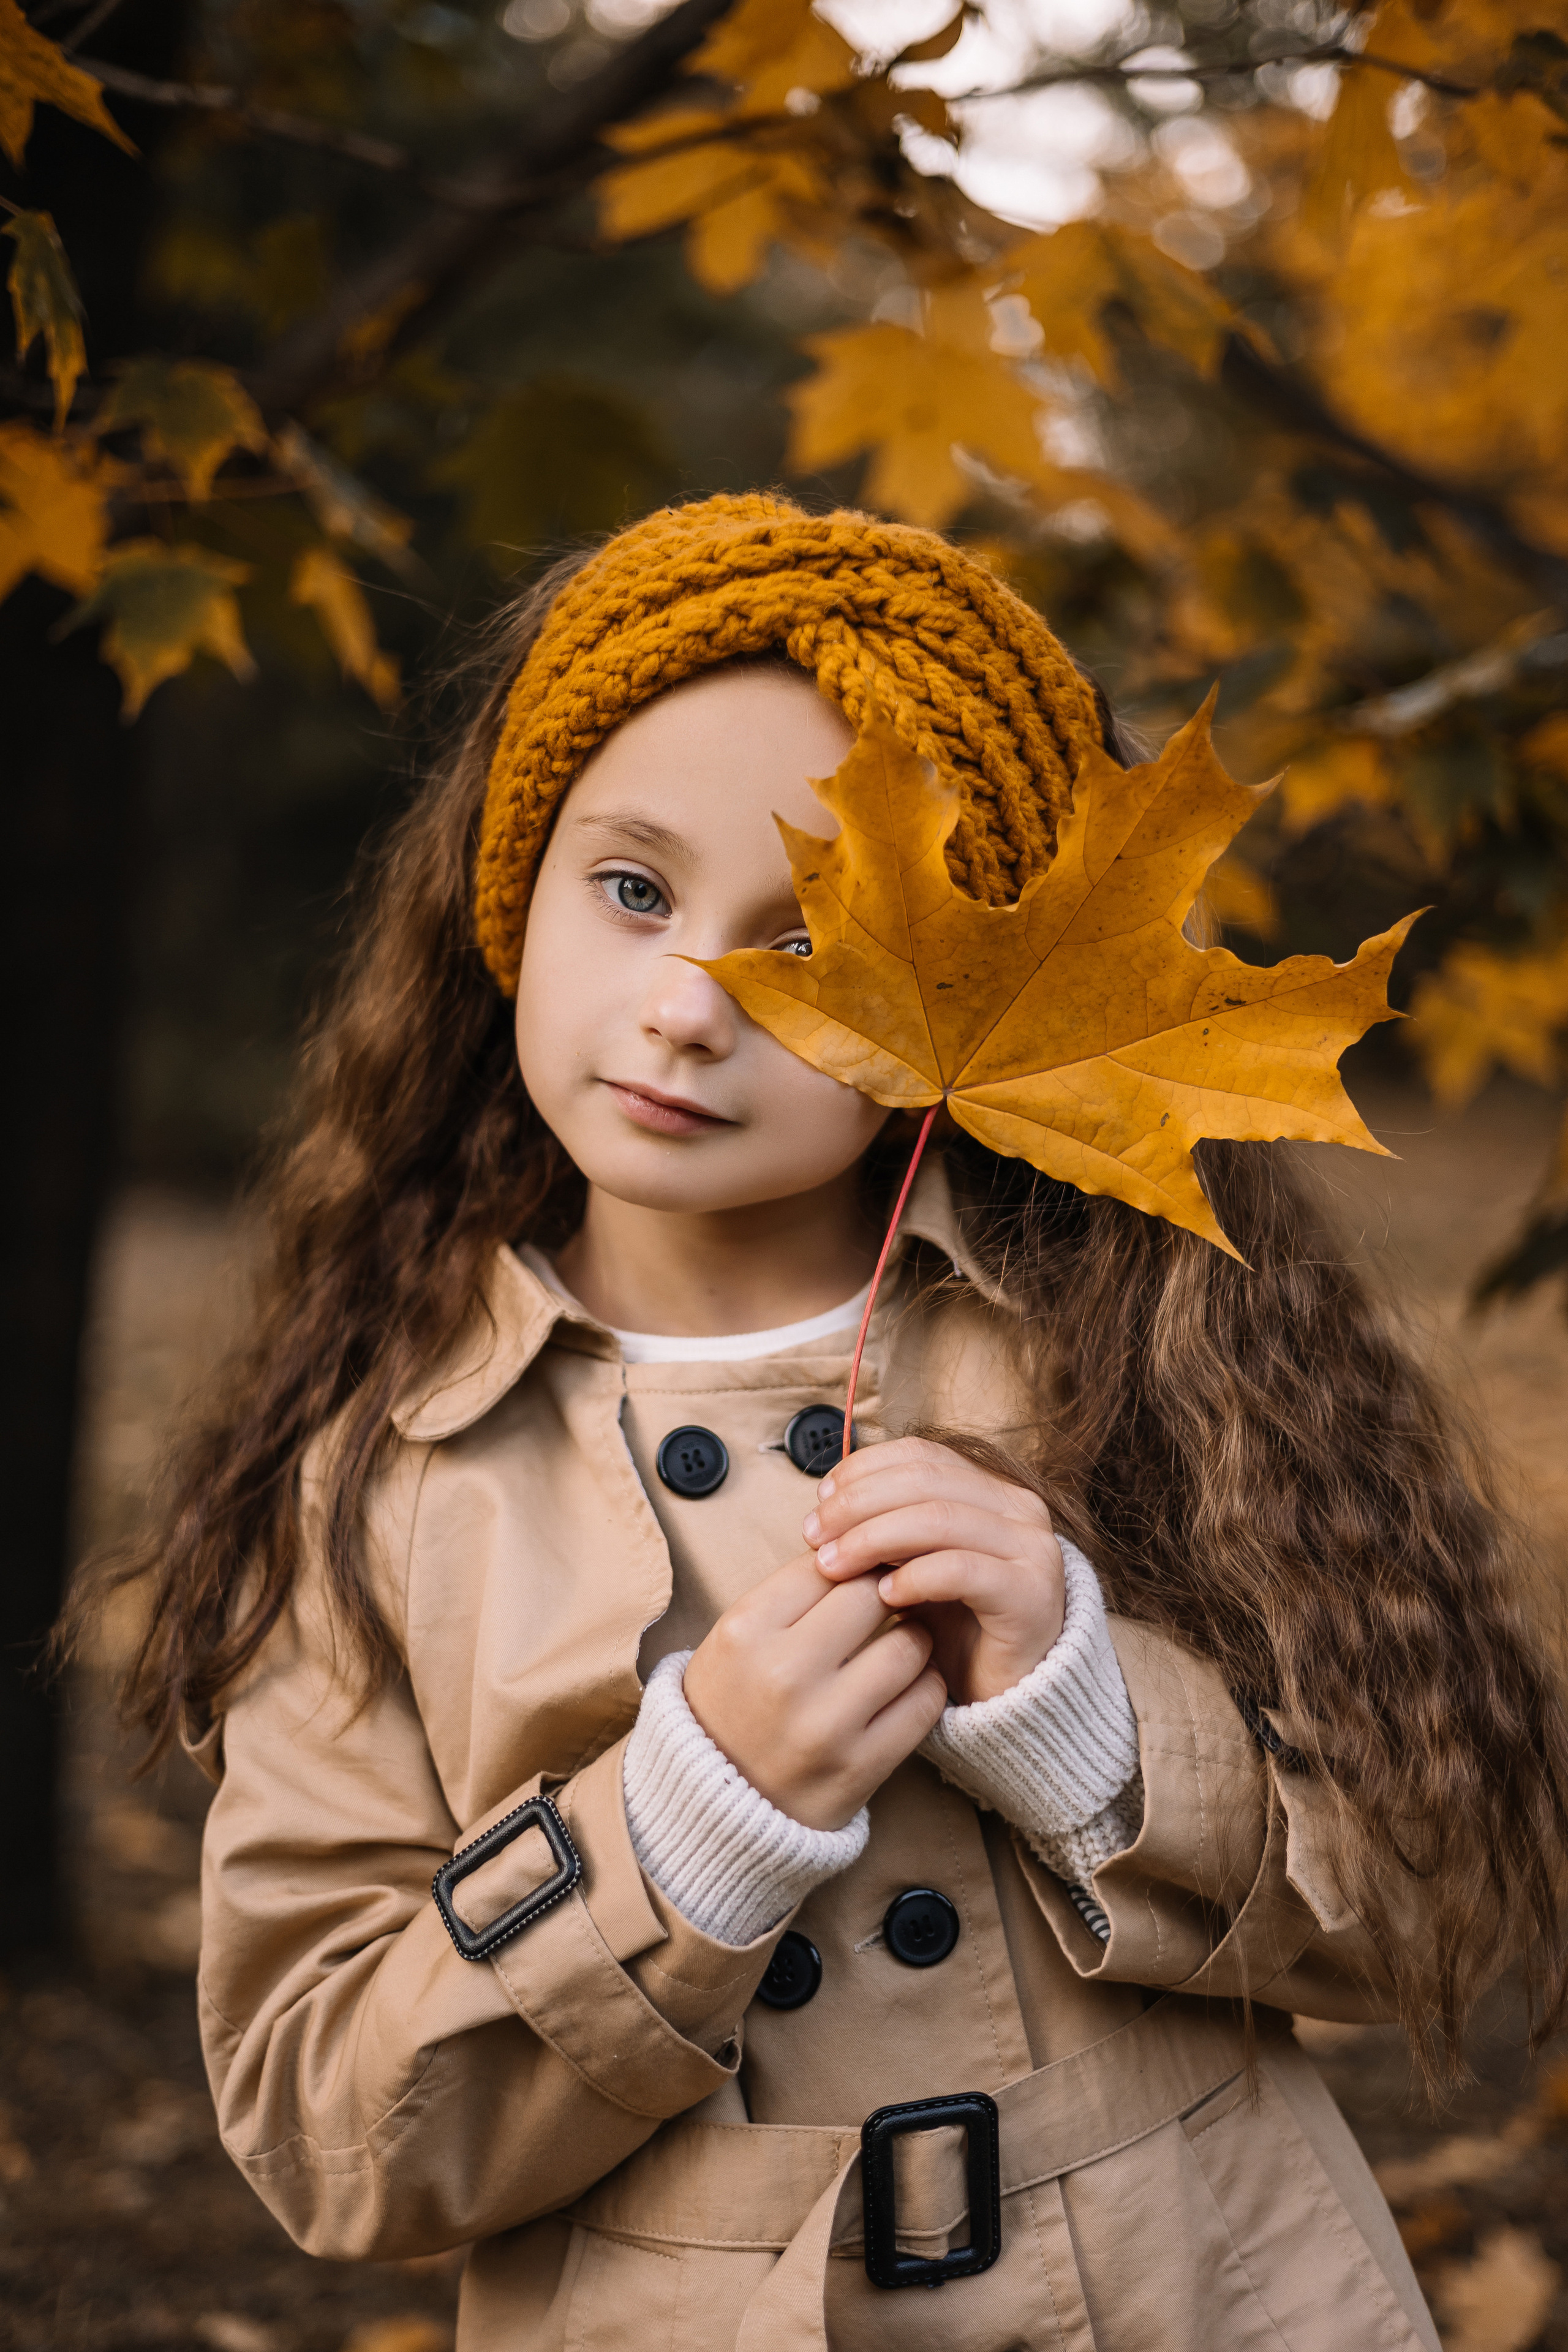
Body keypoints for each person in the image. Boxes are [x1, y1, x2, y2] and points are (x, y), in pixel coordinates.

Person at [107, 494, 1567, 2351]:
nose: (687, 1009)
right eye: (634, 891)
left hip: (1199, 2288)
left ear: (978, 996)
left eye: (814, 945)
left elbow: (1444, 1907)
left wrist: (1087, 1723)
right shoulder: (377, 1473)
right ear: (512, 885)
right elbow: (328, 2133)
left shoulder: (1132, 1363)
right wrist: (684, 1831)